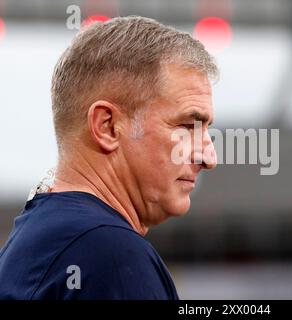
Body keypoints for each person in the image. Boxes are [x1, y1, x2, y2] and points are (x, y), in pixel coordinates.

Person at [0, 16, 218, 300]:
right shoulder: (110, 254)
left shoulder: (36, 239)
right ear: (107, 126)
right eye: (188, 126)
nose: (209, 157)